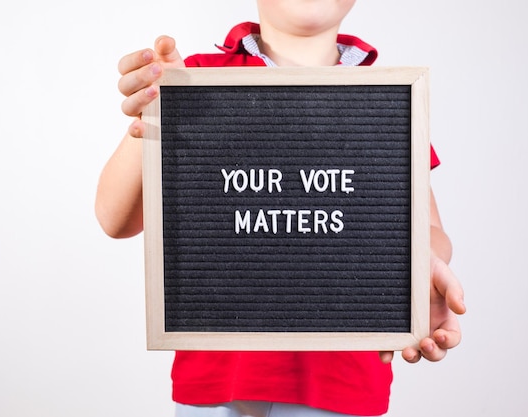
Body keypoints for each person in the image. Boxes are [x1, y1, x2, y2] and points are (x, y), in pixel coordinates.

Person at [95, 1, 466, 416]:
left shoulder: (388, 99)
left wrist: (423, 263)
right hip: (216, 382)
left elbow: (429, 229)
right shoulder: (193, 78)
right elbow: (116, 219)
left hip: (341, 385)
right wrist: (155, 113)